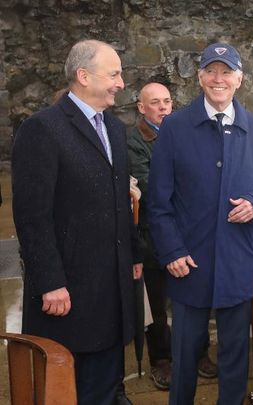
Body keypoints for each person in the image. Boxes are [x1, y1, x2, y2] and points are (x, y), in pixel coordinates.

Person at [147, 42, 253, 404]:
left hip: (237, 259)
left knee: (235, 356)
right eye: (211, 71)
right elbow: (158, 203)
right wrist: (171, 251)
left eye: (226, 72)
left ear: (239, 79)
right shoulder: (174, 128)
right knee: (186, 355)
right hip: (187, 262)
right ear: (200, 78)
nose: (218, 79)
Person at [11, 39, 142, 405]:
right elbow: (32, 216)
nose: (121, 82)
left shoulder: (115, 129)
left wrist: (133, 255)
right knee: (71, 389)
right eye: (114, 74)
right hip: (70, 294)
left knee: (105, 381)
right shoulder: (43, 129)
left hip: (111, 288)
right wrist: (50, 281)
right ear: (83, 76)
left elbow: (119, 201)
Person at [126, 82, 217, 391]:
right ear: (141, 107)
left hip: (190, 234)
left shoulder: (184, 132)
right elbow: (149, 188)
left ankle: (199, 353)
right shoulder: (132, 140)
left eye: (167, 101)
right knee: (156, 301)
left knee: (195, 297)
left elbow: (203, 173)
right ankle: (162, 361)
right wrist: (188, 189)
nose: (163, 107)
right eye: (155, 102)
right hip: (152, 237)